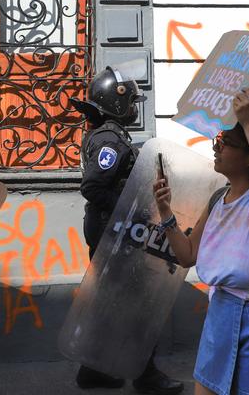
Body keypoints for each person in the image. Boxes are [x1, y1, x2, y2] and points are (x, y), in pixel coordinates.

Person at [153, 89, 249, 395]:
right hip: (220, 314)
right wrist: (166, 212)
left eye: (226, 143)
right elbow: (187, 255)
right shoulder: (218, 200)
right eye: (217, 141)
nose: (217, 147)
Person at [71, 66, 183, 394]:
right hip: (113, 231)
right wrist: (125, 206)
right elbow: (93, 186)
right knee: (138, 305)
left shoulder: (108, 134)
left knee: (108, 302)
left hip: (109, 228)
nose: (135, 107)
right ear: (116, 102)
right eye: (131, 101)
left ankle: (92, 371)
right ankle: (146, 377)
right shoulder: (110, 140)